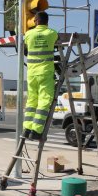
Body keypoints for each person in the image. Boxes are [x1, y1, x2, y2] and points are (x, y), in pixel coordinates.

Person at [23, 11, 58, 141]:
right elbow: (57, 40)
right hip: (45, 72)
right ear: (47, 22)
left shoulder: (28, 34)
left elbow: (25, 47)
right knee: (44, 101)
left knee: (32, 101)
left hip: (32, 74)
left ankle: (27, 128)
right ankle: (36, 131)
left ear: (35, 21)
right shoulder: (51, 33)